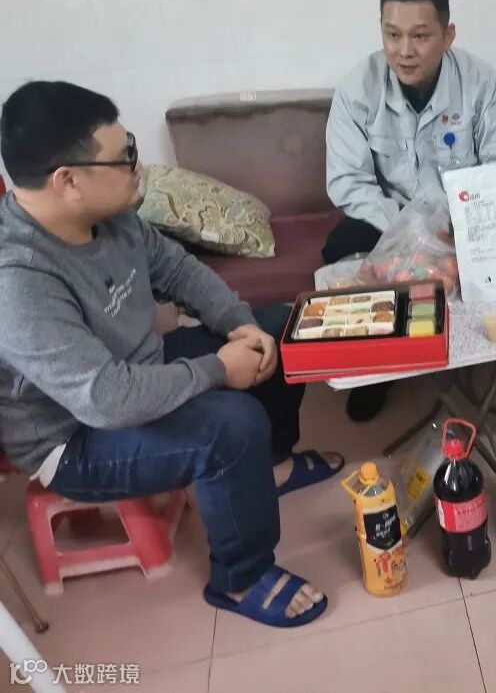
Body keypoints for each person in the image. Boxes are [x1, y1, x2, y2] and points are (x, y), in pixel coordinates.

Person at [0, 81, 345, 628]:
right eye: (124, 157)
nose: (137, 167)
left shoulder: (111, 215)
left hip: (141, 367)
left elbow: (179, 271)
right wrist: (216, 370)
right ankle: (240, 578)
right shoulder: (18, 279)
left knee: (278, 328)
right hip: (76, 437)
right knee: (231, 425)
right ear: (68, 181)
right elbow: (106, 399)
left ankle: (273, 464)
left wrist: (238, 325)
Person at [323, 0, 496, 422]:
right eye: (392, 35)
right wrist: (408, 230)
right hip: (391, 216)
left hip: (468, 212)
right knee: (340, 248)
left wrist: (462, 223)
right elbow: (347, 181)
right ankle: (380, 368)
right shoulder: (357, 89)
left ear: (448, 35)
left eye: (420, 36)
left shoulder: (479, 81)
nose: (404, 50)